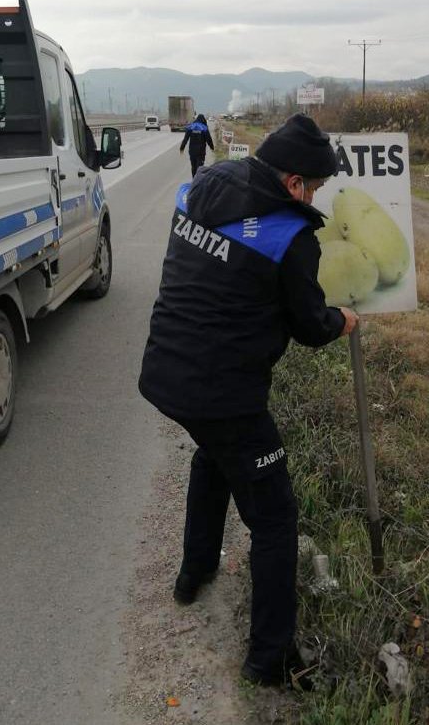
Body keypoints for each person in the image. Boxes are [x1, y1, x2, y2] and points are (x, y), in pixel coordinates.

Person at [139, 113, 358, 689]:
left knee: (213, 455)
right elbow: (311, 325)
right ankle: (270, 659)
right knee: (276, 518)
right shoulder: (289, 237)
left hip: (166, 372)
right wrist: (345, 321)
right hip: (224, 394)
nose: (315, 196)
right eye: (314, 185)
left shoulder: (204, 186)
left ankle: (194, 572)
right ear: (293, 183)